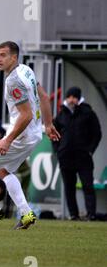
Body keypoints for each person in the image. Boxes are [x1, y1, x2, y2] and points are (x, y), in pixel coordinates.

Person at [0, 41, 60, 230]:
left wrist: (7, 139)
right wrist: (48, 124)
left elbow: (26, 115)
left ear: (14, 57)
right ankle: (26, 213)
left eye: (3, 55)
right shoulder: (26, 70)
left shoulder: (13, 81)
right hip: (33, 134)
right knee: (3, 171)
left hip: (21, 136)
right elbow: (44, 96)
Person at [53, 86, 102, 221]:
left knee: (88, 186)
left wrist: (90, 150)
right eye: (69, 97)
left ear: (79, 98)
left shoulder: (88, 112)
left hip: (83, 157)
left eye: (74, 97)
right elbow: (53, 135)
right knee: (69, 188)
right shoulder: (61, 114)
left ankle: (91, 214)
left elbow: (97, 133)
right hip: (66, 157)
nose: (72, 100)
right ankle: (73, 215)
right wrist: (58, 151)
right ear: (66, 98)